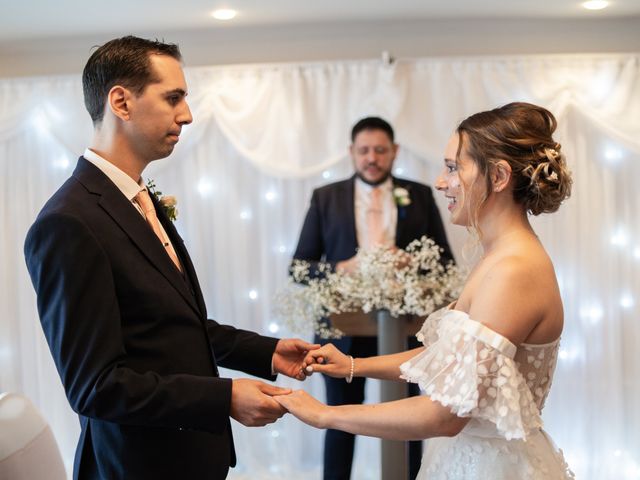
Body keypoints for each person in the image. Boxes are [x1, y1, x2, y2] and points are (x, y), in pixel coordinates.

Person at [23, 36, 318, 480]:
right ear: (121, 102)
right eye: (173, 97)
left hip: (189, 457)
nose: (187, 114)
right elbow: (96, 387)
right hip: (139, 465)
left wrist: (268, 352)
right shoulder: (68, 223)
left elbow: (167, 325)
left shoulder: (139, 198)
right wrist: (224, 397)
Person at [278, 102, 575, 479]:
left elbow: (445, 413)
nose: (440, 181)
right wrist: (353, 366)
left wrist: (324, 415)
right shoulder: (499, 257)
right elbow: (444, 358)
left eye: (453, 167)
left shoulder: (514, 269)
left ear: (498, 176)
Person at [291, 116, 452, 480]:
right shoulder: (325, 197)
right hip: (341, 333)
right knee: (338, 418)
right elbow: (299, 267)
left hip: (405, 331)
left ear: (394, 152)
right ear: (352, 153)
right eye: (364, 150)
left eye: (380, 150)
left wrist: (411, 261)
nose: (372, 158)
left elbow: (444, 261)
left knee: (410, 418)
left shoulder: (421, 194)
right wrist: (341, 267)